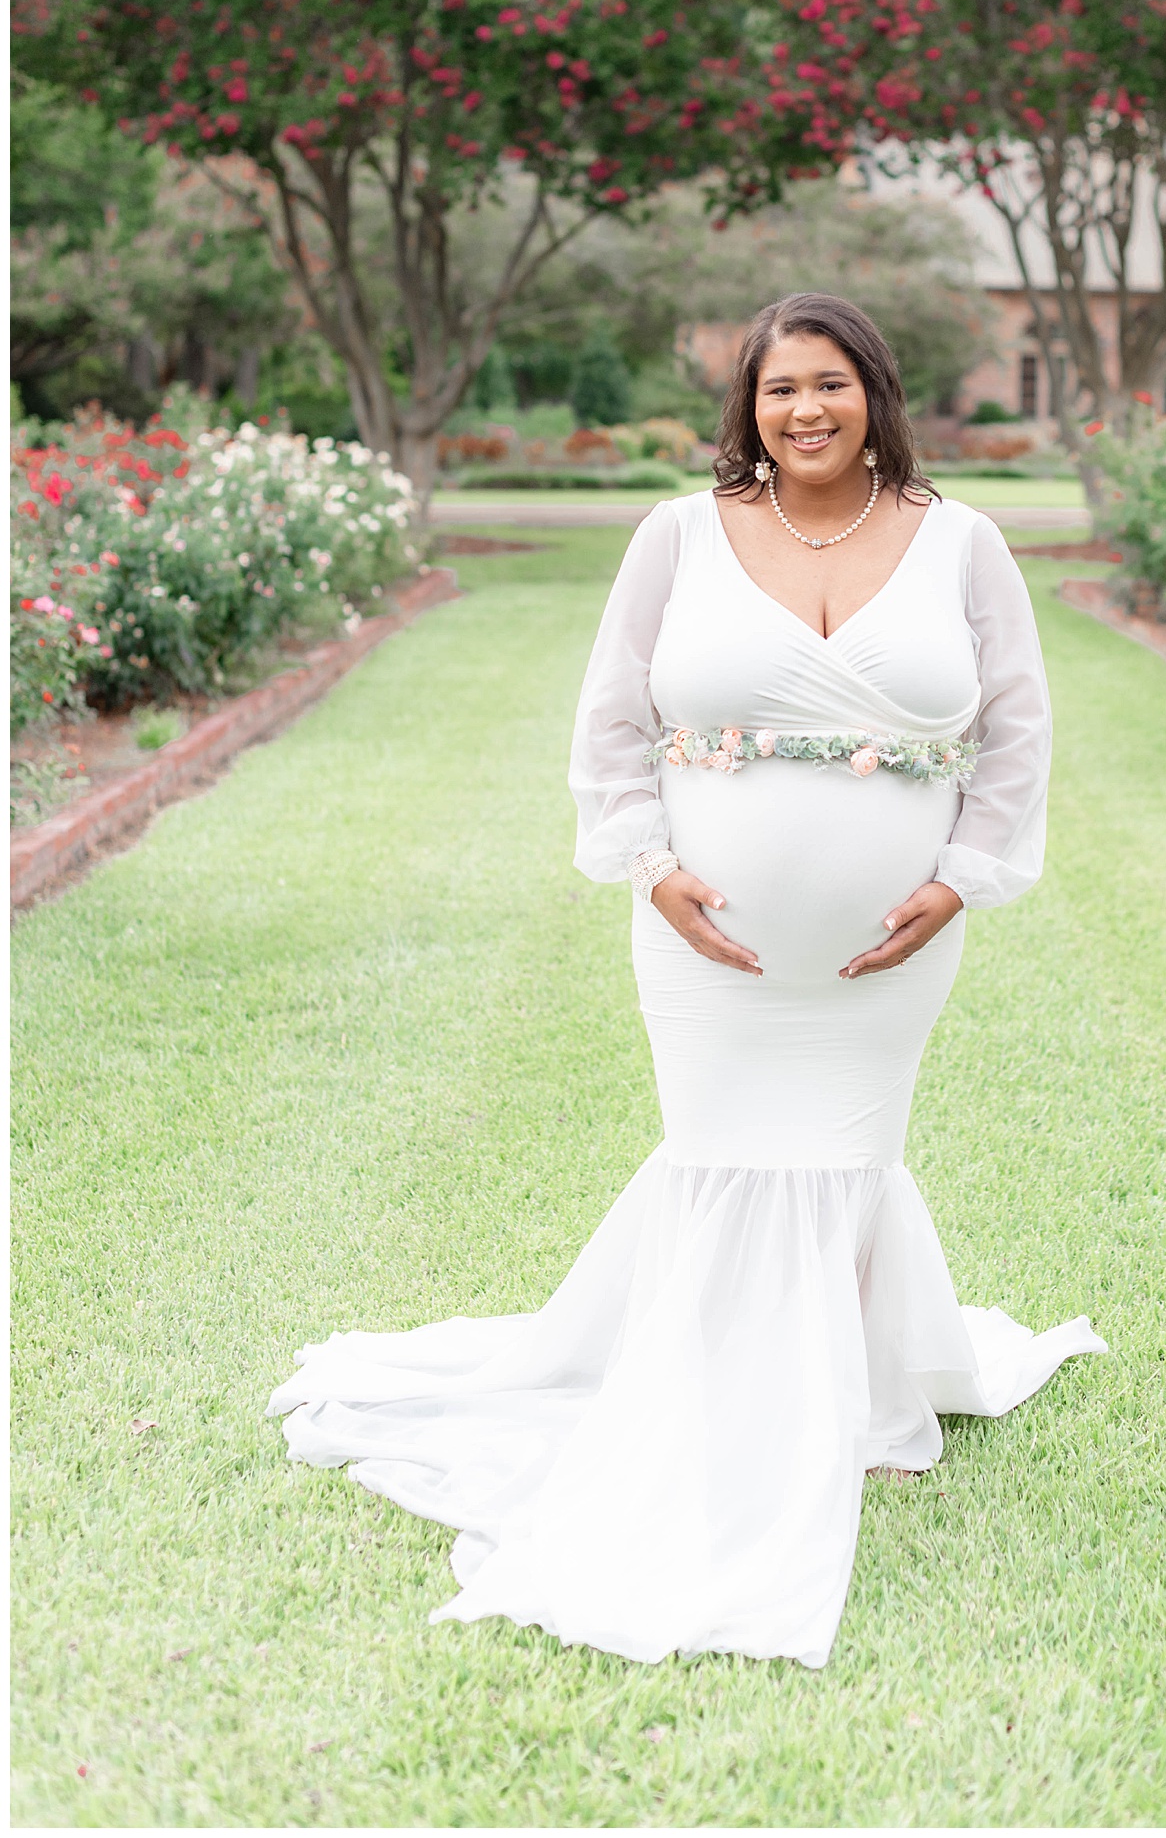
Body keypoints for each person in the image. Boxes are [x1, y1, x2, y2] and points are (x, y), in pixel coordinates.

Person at [269, 292, 1105, 1668]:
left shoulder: (962, 543)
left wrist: (960, 877)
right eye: (780, 391)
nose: (807, 411)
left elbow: (1017, 727)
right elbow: (611, 717)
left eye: (830, 385)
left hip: (894, 944)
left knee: (850, 1154)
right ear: (750, 407)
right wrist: (650, 863)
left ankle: (875, 1405)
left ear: (874, 393)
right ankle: (724, 1405)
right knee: (722, 1149)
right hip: (707, 940)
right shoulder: (679, 534)